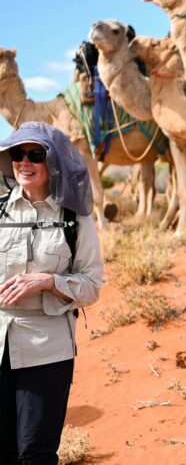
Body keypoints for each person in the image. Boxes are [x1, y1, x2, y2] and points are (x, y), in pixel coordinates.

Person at [0, 122, 103, 465]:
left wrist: (49, 281)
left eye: (35, 154)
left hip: (47, 350)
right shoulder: (0, 211)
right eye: (17, 154)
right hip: (0, 344)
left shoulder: (76, 219)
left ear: (53, 161)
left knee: (36, 453)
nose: (24, 163)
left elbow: (91, 286)